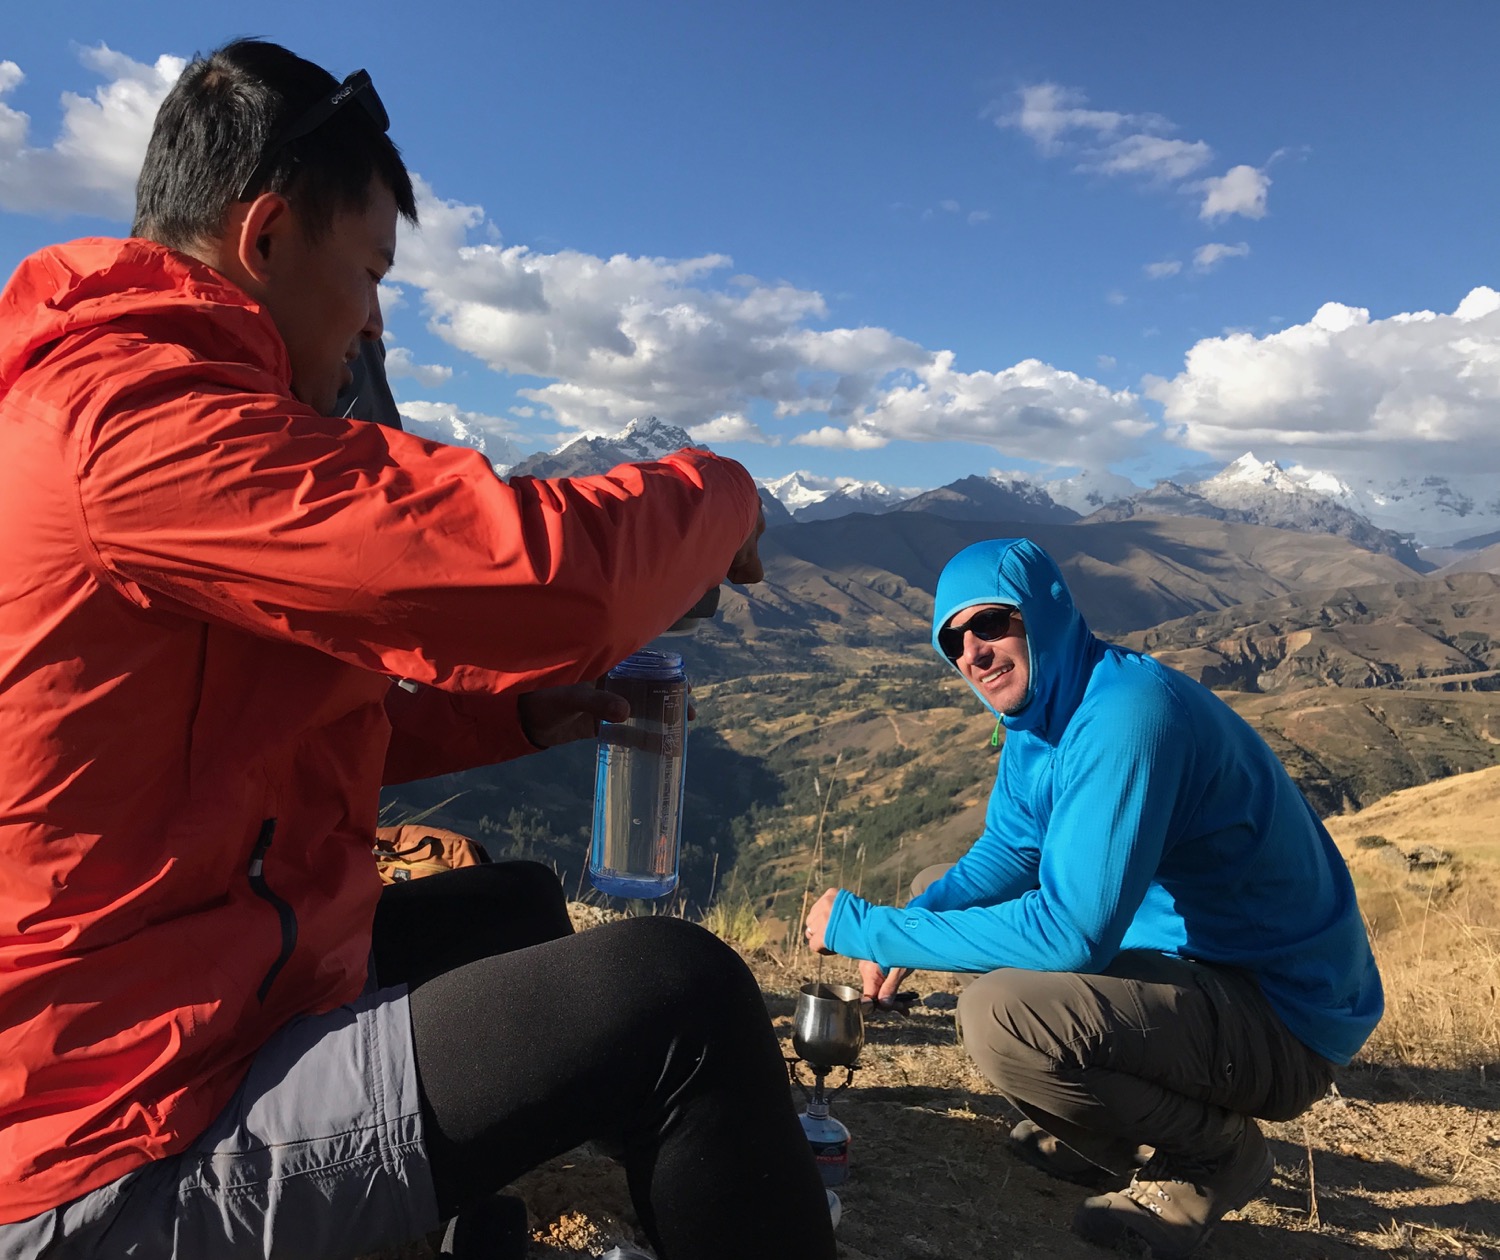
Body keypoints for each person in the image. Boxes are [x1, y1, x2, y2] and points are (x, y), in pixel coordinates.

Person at [0, 38, 834, 1260]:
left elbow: (258, 734)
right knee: (680, 1000)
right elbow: (554, 582)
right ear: (268, 236)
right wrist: (725, 493)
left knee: (511, 909)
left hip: (197, 998)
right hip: (115, 1138)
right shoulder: (137, 424)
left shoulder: (119, 400)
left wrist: (516, 717)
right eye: (373, 270)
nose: (378, 316)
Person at [805, 537, 1382, 1258]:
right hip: (1195, 973)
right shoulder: (1040, 717)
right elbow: (1013, 851)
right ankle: (1099, 1131)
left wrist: (875, 930)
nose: (973, 653)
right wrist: (916, 922)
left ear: (1043, 614)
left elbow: (1071, 934)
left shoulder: (1127, 717)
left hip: (1280, 1016)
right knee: (936, 898)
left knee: (1000, 1017)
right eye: (953, 641)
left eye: (990, 624)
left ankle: (1212, 1158)